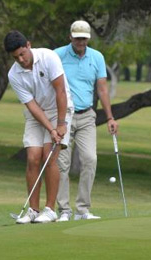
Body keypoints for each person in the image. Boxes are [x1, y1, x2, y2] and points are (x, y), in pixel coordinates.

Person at [4, 30, 74, 224]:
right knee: (33, 158)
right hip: (36, 114)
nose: (20, 59)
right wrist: (50, 129)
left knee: (49, 156)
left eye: (22, 54)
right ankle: (33, 210)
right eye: (15, 57)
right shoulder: (14, 74)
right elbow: (32, 106)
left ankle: (50, 209)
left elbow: (61, 91)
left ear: (28, 45)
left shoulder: (48, 57)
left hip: (59, 109)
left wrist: (59, 125)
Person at [54, 20, 119, 221]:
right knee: (62, 164)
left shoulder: (97, 57)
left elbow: (102, 89)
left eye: (84, 38)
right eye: (77, 38)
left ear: (88, 38)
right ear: (70, 37)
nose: (81, 42)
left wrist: (109, 117)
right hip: (64, 118)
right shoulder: (57, 55)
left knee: (90, 159)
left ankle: (82, 210)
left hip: (87, 116)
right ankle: (64, 210)